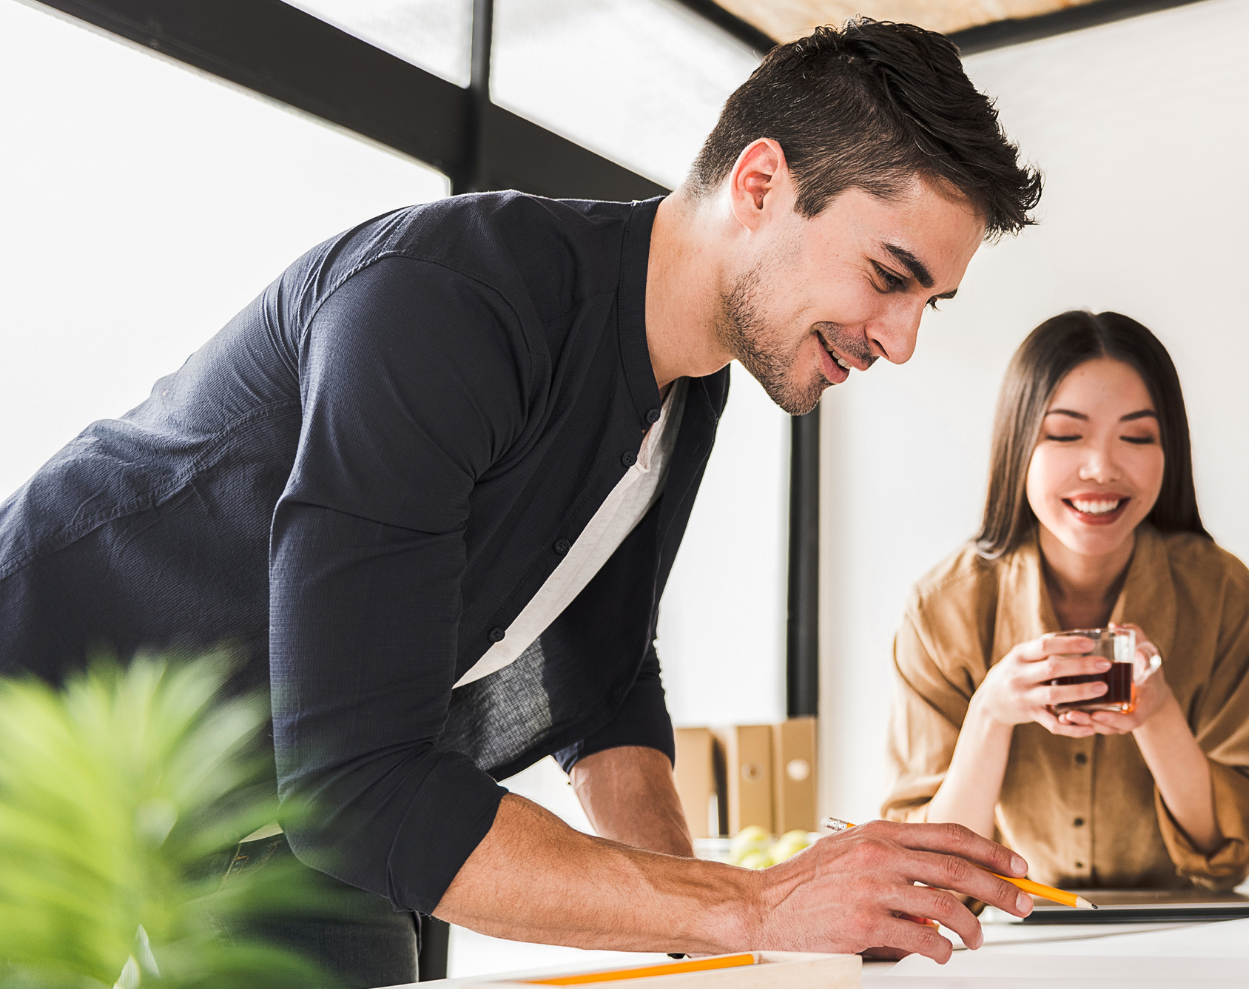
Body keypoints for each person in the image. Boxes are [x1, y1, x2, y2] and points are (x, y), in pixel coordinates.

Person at [0, 19, 1046, 987]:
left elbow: (602, 680)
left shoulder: (692, 393)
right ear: (762, 182)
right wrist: (757, 899)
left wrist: (714, 946)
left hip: (276, 813)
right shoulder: (445, 301)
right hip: (44, 727)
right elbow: (360, 785)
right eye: (889, 275)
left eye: (928, 305)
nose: (901, 339)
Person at [882, 311, 1249, 891]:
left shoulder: (1220, 592)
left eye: (1136, 436)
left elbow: (1231, 849)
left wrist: (1157, 716)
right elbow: (928, 876)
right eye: (1064, 434)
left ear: (1169, 451)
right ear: (1019, 444)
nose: (1102, 467)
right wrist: (991, 713)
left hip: (1181, 939)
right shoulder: (942, 610)